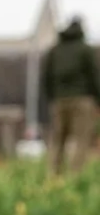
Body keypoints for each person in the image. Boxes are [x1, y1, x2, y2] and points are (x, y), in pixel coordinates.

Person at [43, 16, 100, 175]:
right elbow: (94, 76)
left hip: (58, 100)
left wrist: (51, 98)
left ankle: (54, 175)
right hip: (83, 100)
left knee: (58, 140)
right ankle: (76, 175)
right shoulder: (85, 50)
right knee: (81, 139)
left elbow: (46, 77)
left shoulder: (55, 50)